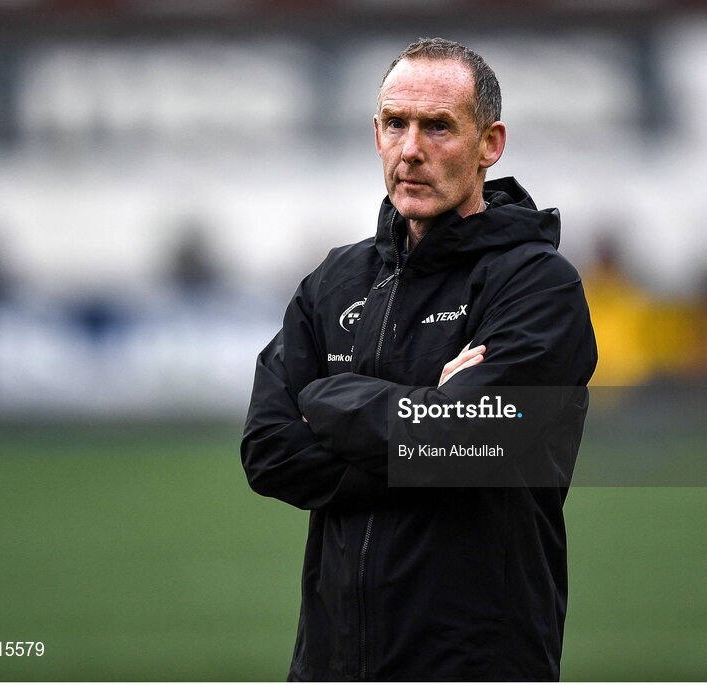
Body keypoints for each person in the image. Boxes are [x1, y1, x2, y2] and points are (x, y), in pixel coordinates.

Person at [241, 37, 597, 681]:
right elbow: (269, 451)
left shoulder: (538, 286)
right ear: (375, 134)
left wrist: (327, 400)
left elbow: (469, 438)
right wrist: (427, 419)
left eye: (438, 126)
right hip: (332, 663)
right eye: (395, 124)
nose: (411, 149)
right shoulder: (334, 282)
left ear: (490, 144)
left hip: (477, 661)